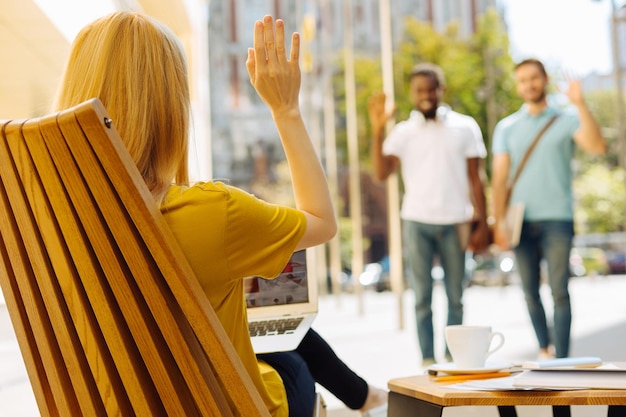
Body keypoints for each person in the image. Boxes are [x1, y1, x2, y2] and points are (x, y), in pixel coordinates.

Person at [52, 11, 386, 417]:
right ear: (169, 108)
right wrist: (286, 111)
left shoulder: (47, 222)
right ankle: (366, 397)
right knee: (291, 356)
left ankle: (363, 395)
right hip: (224, 406)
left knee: (284, 336)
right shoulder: (212, 212)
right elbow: (322, 220)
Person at [367, 63, 489, 366]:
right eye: (420, 90)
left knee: (456, 296)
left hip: (457, 221)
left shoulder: (465, 126)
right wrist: (377, 127)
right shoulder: (402, 132)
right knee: (421, 297)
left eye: (431, 89)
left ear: (441, 90)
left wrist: (482, 222)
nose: (426, 95)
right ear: (412, 93)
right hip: (417, 221)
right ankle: (427, 359)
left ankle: (455, 356)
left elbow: (477, 179)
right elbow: (382, 173)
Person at [491, 58, 606, 359]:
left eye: (533, 78)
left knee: (559, 291)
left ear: (544, 80)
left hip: (558, 218)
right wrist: (498, 223)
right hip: (520, 220)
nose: (528, 84)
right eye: (522, 80)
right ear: (518, 86)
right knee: (529, 292)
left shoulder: (567, 120)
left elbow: (597, 146)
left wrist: (580, 104)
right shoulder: (507, 127)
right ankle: (545, 349)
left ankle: (563, 357)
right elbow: (500, 179)